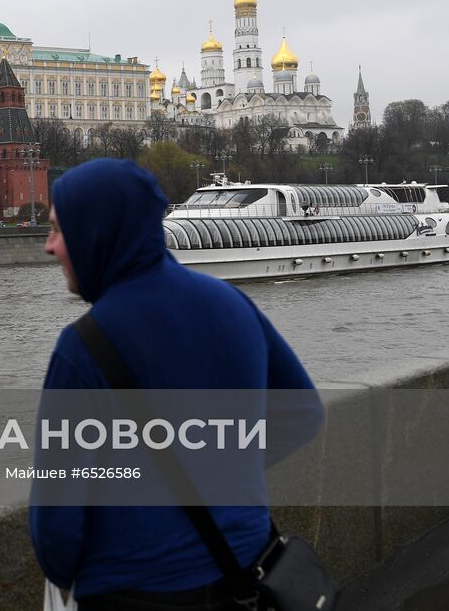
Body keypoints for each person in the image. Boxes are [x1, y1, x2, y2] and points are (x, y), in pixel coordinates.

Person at [29, 159, 323, 611]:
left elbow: (56, 520)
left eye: (57, 230)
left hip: (133, 592)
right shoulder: (231, 302)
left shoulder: (83, 346)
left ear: (95, 234)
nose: (49, 247)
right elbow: (301, 414)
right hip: (245, 575)